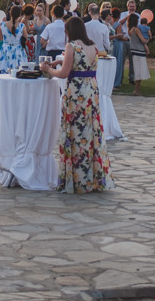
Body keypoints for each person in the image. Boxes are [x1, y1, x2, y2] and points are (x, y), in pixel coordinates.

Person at [40, 17, 113, 193]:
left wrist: (48, 69)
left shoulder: (71, 46)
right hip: (91, 91)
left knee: (76, 133)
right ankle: (92, 176)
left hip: (77, 94)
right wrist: (60, 61)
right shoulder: (93, 46)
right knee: (90, 132)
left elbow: (64, 73)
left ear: (70, 31)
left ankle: (76, 179)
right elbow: (82, 64)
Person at [0, 6, 29, 72]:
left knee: (4, 70)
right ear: (20, 15)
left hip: (6, 50)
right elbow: (26, 40)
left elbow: (0, 39)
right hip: (18, 50)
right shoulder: (22, 26)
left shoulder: (3, 25)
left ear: (10, 14)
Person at [126, 12, 151, 95]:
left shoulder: (129, 30)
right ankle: (136, 90)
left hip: (133, 51)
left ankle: (137, 90)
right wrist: (147, 40)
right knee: (139, 71)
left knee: (137, 70)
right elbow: (143, 40)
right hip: (139, 51)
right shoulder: (136, 29)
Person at [110, 9, 129, 88]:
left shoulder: (110, 23)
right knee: (118, 62)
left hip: (112, 44)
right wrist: (125, 38)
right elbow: (119, 36)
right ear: (119, 16)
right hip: (118, 44)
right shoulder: (118, 25)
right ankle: (116, 82)